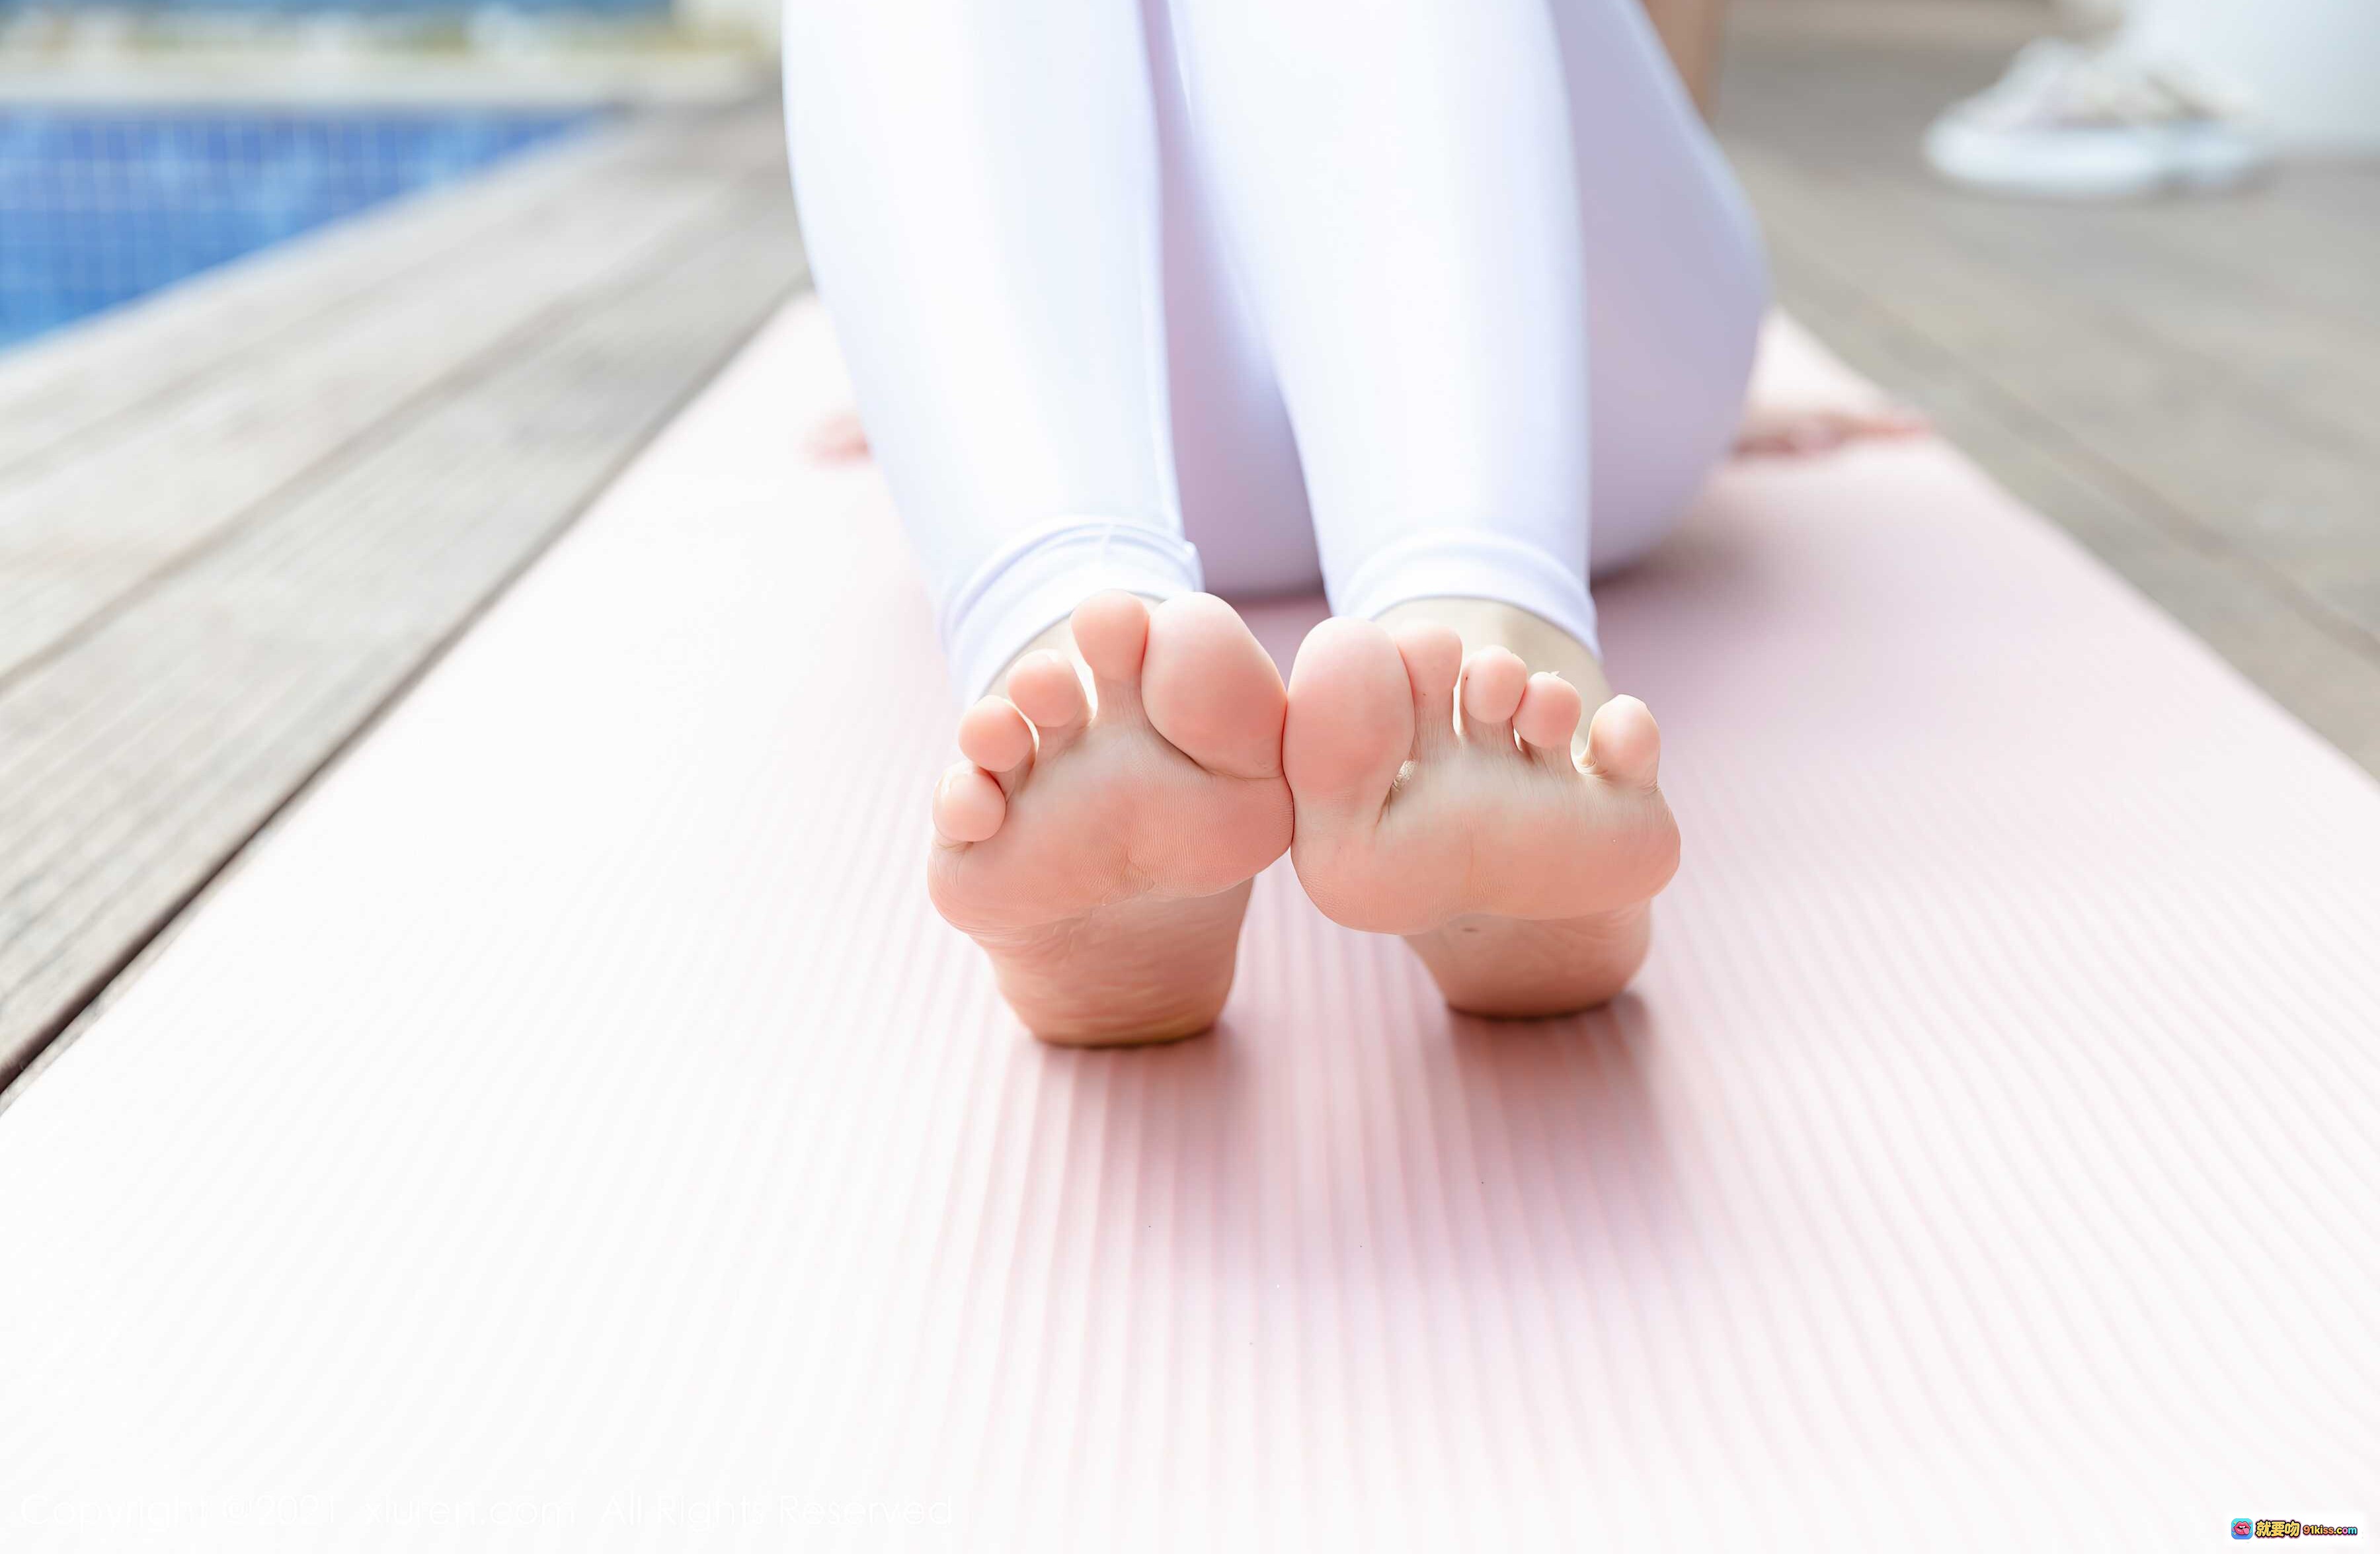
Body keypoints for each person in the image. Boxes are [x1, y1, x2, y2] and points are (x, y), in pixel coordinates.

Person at [781, 0, 1769, 1043]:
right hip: (1566, 403)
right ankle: (1488, 622)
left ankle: (1059, 607)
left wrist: (927, 382)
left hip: (1163, 414)